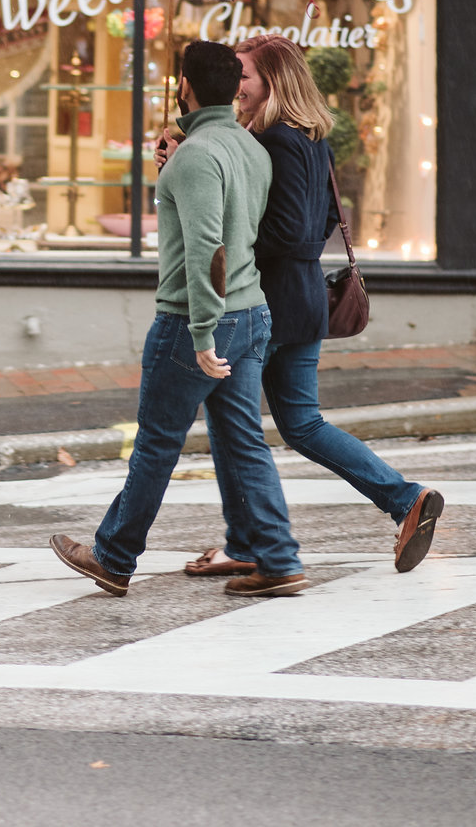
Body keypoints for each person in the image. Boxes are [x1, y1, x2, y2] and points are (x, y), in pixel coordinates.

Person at [175, 34, 444, 576]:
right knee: (298, 423)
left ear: (273, 81)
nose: (236, 87)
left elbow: (294, 231)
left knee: (235, 424)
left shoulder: (277, 140)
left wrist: (232, 228)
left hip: (266, 302)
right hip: (299, 298)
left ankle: (254, 544)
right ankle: (404, 499)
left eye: (245, 76)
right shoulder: (309, 138)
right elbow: (319, 224)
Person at [50, 39, 310, 600]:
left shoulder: (198, 155)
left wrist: (199, 332)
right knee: (243, 442)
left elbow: (205, 250)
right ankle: (279, 558)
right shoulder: (247, 147)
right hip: (251, 313)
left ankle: (114, 557)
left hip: (199, 319)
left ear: (184, 86)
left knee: (157, 443)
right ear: (232, 88)